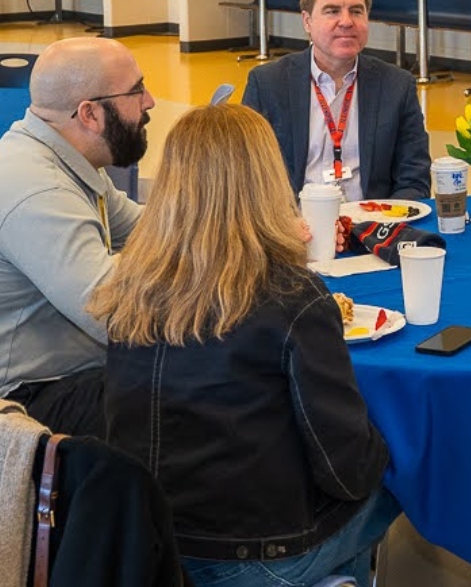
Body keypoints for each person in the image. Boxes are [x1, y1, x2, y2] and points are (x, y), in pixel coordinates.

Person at [89, 104, 398, 587]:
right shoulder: (292, 297)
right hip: (258, 555)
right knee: (395, 486)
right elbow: (346, 471)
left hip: (150, 546)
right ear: (267, 180)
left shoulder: (130, 287)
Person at [0, 36, 153, 437]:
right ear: (89, 114)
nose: (150, 101)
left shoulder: (70, 161)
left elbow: (152, 231)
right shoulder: (39, 188)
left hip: (74, 374)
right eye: (137, 91)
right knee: (206, 398)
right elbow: (115, 315)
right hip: (31, 397)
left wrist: (243, 231)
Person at [243, 0, 431, 201]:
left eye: (356, 11)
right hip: (293, 221)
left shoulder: (397, 86)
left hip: (371, 220)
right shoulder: (268, 84)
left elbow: (414, 180)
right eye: (332, 11)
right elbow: (245, 177)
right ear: (307, 21)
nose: (346, 21)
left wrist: (384, 220)